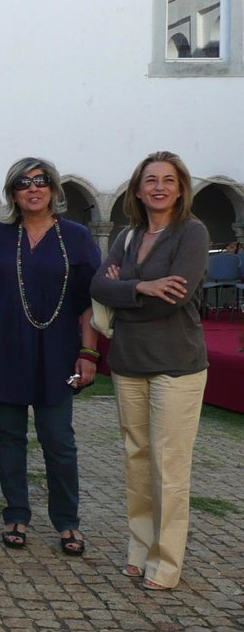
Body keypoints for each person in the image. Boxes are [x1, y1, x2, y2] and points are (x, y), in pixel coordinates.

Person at [0, 158, 100, 555]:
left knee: (58, 439)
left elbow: (90, 301)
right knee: (9, 436)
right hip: (5, 349)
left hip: (58, 351)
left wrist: (89, 352)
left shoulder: (76, 237)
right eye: (23, 183)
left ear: (54, 188)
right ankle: (16, 515)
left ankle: (67, 521)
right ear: (13, 193)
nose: (33, 189)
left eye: (41, 181)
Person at [91, 151, 209, 591]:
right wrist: (142, 285)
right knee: (137, 461)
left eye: (168, 180)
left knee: (169, 466)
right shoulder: (127, 236)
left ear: (180, 189)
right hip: (129, 362)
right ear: (137, 190)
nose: (159, 187)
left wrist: (123, 291)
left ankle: (167, 562)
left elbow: (175, 298)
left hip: (176, 365)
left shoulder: (191, 233)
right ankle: (139, 550)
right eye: (150, 180)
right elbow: (97, 285)